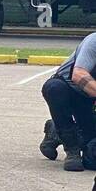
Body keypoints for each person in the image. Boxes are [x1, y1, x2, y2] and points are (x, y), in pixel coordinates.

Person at [39, 32, 96, 171]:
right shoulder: (93, 41)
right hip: (70, 92)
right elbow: (79, 75)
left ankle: (55, 131)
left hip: (90, 102)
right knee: (54, 88)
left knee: (93, 159)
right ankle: (72, 149)